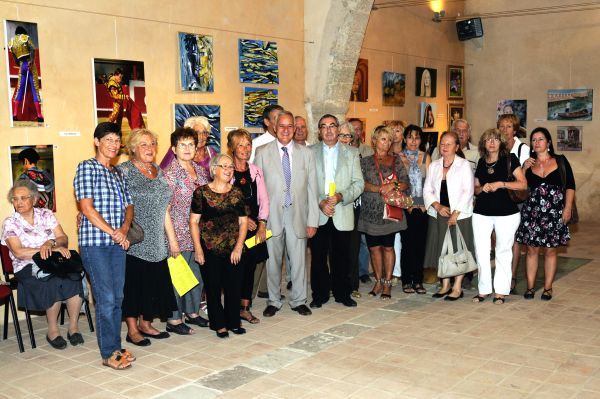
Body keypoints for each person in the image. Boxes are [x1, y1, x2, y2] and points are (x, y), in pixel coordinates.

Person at [74, 122, 135, 370]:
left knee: (118, 297)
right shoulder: (86, 168)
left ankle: (116, 346)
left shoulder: (118, 172)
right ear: (97, 141)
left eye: (116, 140)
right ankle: (108, 352)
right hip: (95, 244)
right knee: (106, 297)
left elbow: (129, 206)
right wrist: (113, 232)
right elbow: (86, 208)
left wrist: (123, 229)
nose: (113, 144)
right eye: (108, 139)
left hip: (117, 243)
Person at [2, 180, 83, 350]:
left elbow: (63, 238)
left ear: (34, 199)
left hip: (52, 262)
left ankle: (73, 328)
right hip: (26, 266)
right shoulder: (10, 223)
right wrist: (46, 249)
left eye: (23, 198)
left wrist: (51, 242)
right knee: (52, 282)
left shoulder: (46, 214)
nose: (19, 202)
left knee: (73, 278)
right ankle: (52, 331)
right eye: (15, 199)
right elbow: (18, 252)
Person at [254, 111, 319, 317]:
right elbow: (258, 189)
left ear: (295, 128)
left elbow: (312, 189)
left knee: (299, 260)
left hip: (297, 214)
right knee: (273, 260)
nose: (285, 130)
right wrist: (260, 220)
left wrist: (313, 221)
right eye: (281, 126)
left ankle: (299, 300)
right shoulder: (263, 152)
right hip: (272, 215)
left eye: (289, 126)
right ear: (274, 127)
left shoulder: (306, 153)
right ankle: (273, 300)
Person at [117, 129, 178, 344]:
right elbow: (114, 205)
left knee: (152, 285)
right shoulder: (122, 171)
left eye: (152, 143)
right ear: (132, 148)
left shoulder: (158, 171)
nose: (149, 148)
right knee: (134, 287)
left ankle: (146, 323)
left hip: (157, 241)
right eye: (143, 144)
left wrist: (172, 240)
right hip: (134, 241)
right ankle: (132, 330)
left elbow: (165, 209)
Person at [190, 154, 249, 338]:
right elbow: (193, 222)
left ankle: (233, 321)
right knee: (213, 287)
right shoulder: (201, 193)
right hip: (209, 248)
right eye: (224, 166)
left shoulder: (237, 193)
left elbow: (243, 222)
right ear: (214, 169)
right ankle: (218, 324)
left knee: (234, 286)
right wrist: (198, 248)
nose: (228, 169)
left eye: (230, 166)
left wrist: (239, 246)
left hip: (234, 248)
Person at [309, 114, 364, 309]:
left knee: (342, 257)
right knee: (318, 257)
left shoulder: (351, 152)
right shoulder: (309, 152)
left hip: (342, 210)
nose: (329, 130)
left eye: (332, 126)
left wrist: (341, 196)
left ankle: (343, 293)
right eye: (324, 126)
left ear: (338, 129)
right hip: (318, 213)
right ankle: (319, 295)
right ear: (319, 131)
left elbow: (359, 183)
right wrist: (319, 202)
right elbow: (305, 185)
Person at [515, 127, 575, 301]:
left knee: (550, 251)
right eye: (534, 140)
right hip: (532, 213)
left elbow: (570, 185)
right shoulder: (528, 164)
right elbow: (520, 187)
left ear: (548, 142)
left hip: (554, 213)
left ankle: (548, 288)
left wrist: (567, 207)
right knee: (532, 251)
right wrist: (524, 169)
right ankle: (530, 287)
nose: (537, 142)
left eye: (540, 139)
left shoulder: (560, 161)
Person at [162, 127, 210, 332]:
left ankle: (192, 313)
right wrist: (172, 241)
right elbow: (164, 210)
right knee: (177, 279)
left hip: (197, 235)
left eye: (191, 143)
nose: (188, 148)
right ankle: (173, 320)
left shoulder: (200, 171)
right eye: (183, 144)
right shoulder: (169, 174)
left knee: (196, 276)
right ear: (174, 148)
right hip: (177, 234)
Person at [472, 129, 526, 304]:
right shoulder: (481, 162)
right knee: (481, 251)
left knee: (503, 251)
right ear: (483, 144)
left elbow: (522, 184)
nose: (492, 142)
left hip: (507, 213)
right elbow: (476, 188)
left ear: (501, 142)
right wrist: (483, 188)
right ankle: (483, 289)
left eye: (495, 139)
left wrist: (501, 184)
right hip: (481, 212)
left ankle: (501, 291)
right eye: (488, 140)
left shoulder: (510, 160)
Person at [358, 125, 409, 300]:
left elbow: (405, 183)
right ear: (374, 141)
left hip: (390, 212)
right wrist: (380, 188)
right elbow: (360, 184)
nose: (387, 143)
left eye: (389, 139)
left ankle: (387, 283)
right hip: (370, 212)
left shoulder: (396, 161)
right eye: (383, 139)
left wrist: (392, 185)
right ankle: (378, 281)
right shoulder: (364, 162)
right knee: (373, 248)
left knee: (388, 247)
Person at [423, 131, 475, 301]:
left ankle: (457, 287)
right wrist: (436, 206)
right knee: (442, 250)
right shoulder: (434, 165)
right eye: (442, 143)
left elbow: (468, 191)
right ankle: (445, 285)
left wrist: (456, 212)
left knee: (458, 250)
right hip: (439, 214)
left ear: (456, 147)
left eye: (449, 144)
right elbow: (427, 189)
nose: (444, 147)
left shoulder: (464, 165)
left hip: (459, 215)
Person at [227, 129, 269, 325]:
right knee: (235, 269)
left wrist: (262, 224)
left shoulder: (255, 170)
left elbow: (264, 200)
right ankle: (232, 309)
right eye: (240, 145)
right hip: (234, 229)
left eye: (248, 145)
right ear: (232, 148)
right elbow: (223, 202)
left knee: (250, 268)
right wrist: (242, 220)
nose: (245, 149)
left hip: (254, 229)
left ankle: (245, 308)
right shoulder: (226, 170)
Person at [498, 114, 530, 292]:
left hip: (515, 198)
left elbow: (525, 177)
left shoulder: (522, 148)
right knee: (498, 238)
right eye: (501, 126)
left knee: (514, 239)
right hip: (498, 197)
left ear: (515, 129)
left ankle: (511, 275)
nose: (504, 130)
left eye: (508, 126)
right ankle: (501, 272)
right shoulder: (495, 146)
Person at [398, 125, 431, 294]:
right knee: (407, 244)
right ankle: (406, 280)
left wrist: (426, 204)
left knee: (420, 244)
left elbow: (431, 183)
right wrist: (407, 203)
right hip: (406, 206)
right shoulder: (398, 157)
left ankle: (418, 280)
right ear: (404, 139)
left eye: (417, 137)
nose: (413, 141)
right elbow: (397, 184)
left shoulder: (426, 157)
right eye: (410, 137)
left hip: (423, 206)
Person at [8, 26, 44, 122]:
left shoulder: (11, 42)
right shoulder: (24, 37)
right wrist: (31, 60)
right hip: (30, 64)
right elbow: (32, 49)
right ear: (23, 32)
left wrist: (21, 64)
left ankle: (15, 114)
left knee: (20, 89)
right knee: (35, 89)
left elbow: (15, 59)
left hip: (21, 65)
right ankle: (39, 115)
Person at [388, 120, 408, 287]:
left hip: (407, 199)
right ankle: (394, 271)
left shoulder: (408, 154)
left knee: (403, 238)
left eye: (398, 131)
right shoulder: (385, 154)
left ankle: (401, 270)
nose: (395, 134)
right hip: (390, 200)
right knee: (392, 237)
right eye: (392, 131)